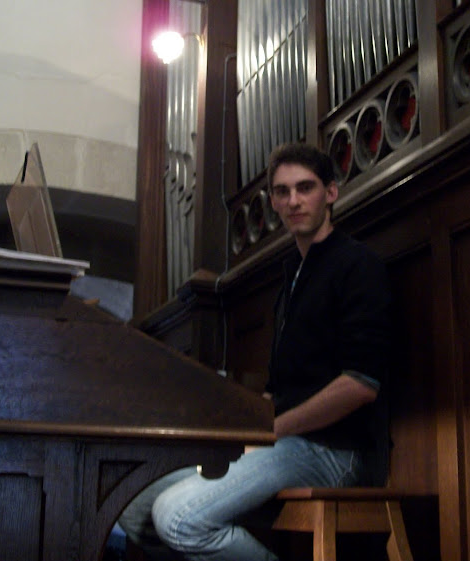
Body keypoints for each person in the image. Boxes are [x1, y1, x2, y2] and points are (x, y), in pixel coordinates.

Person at [118, 142, 393, 561]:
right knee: (135, 502)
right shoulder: (291, 284)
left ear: (331, 193)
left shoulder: (358, 266)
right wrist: (236, 434)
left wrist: (273, 430)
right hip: (288, 443)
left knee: (178, 518)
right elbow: (276, 391)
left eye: (306, 187)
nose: (293, 200)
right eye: (282, 192)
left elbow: (360, 385)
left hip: (339, 451)